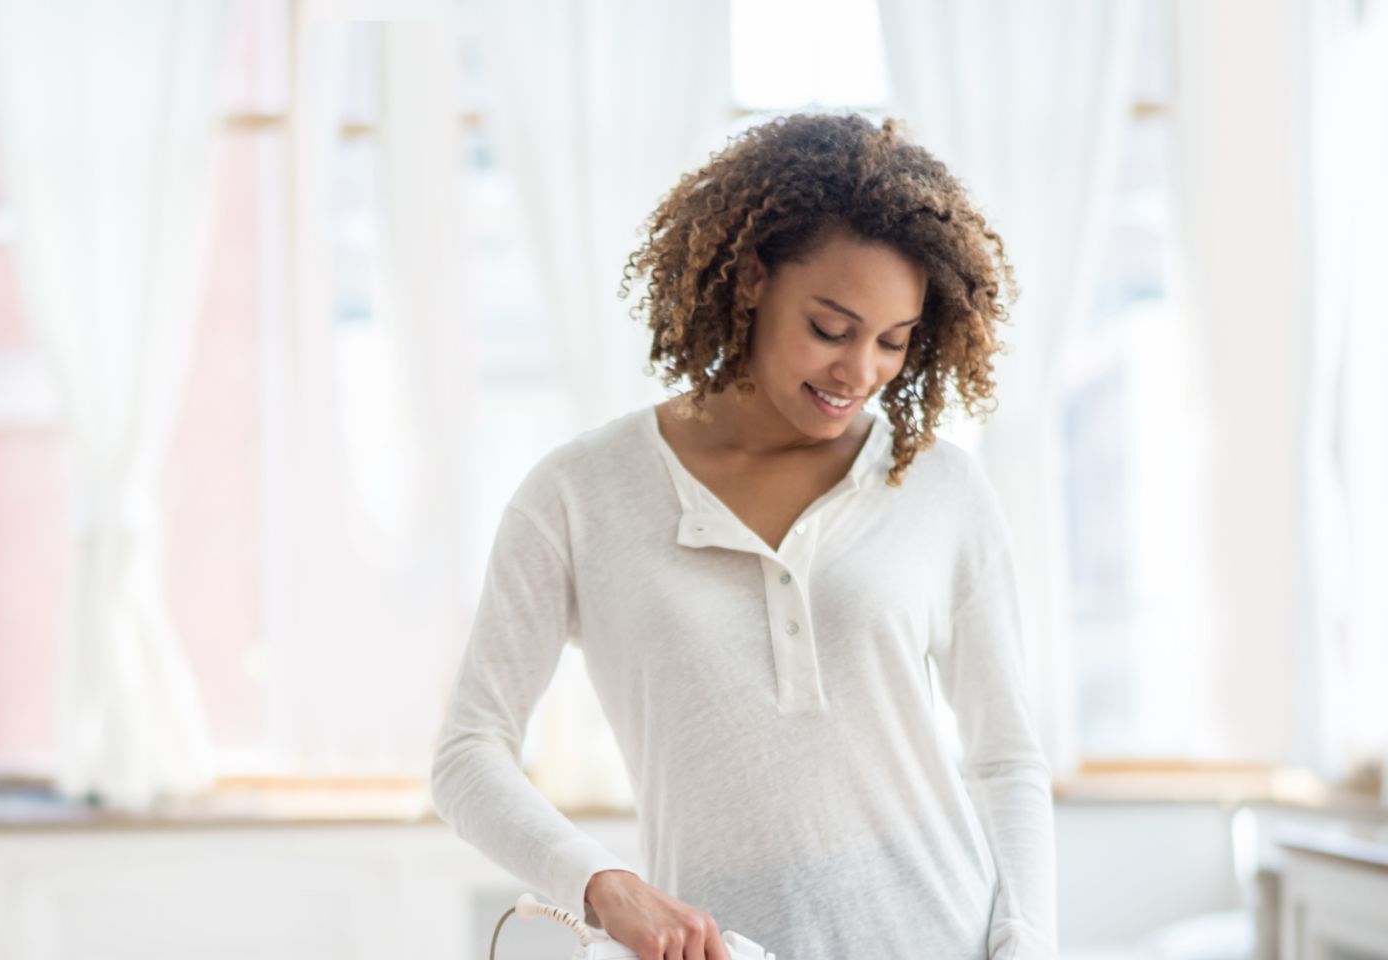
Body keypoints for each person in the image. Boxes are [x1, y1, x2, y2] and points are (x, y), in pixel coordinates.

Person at [429, 111, 1056, 960]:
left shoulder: (943, 490)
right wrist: (604, 887)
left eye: (893, 343)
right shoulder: (579, 495)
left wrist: (1026, 941)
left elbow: (1006, 757)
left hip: (951, 935)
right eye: (831, 328)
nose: (859, 372)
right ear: (753, 278)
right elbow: (469, 755)